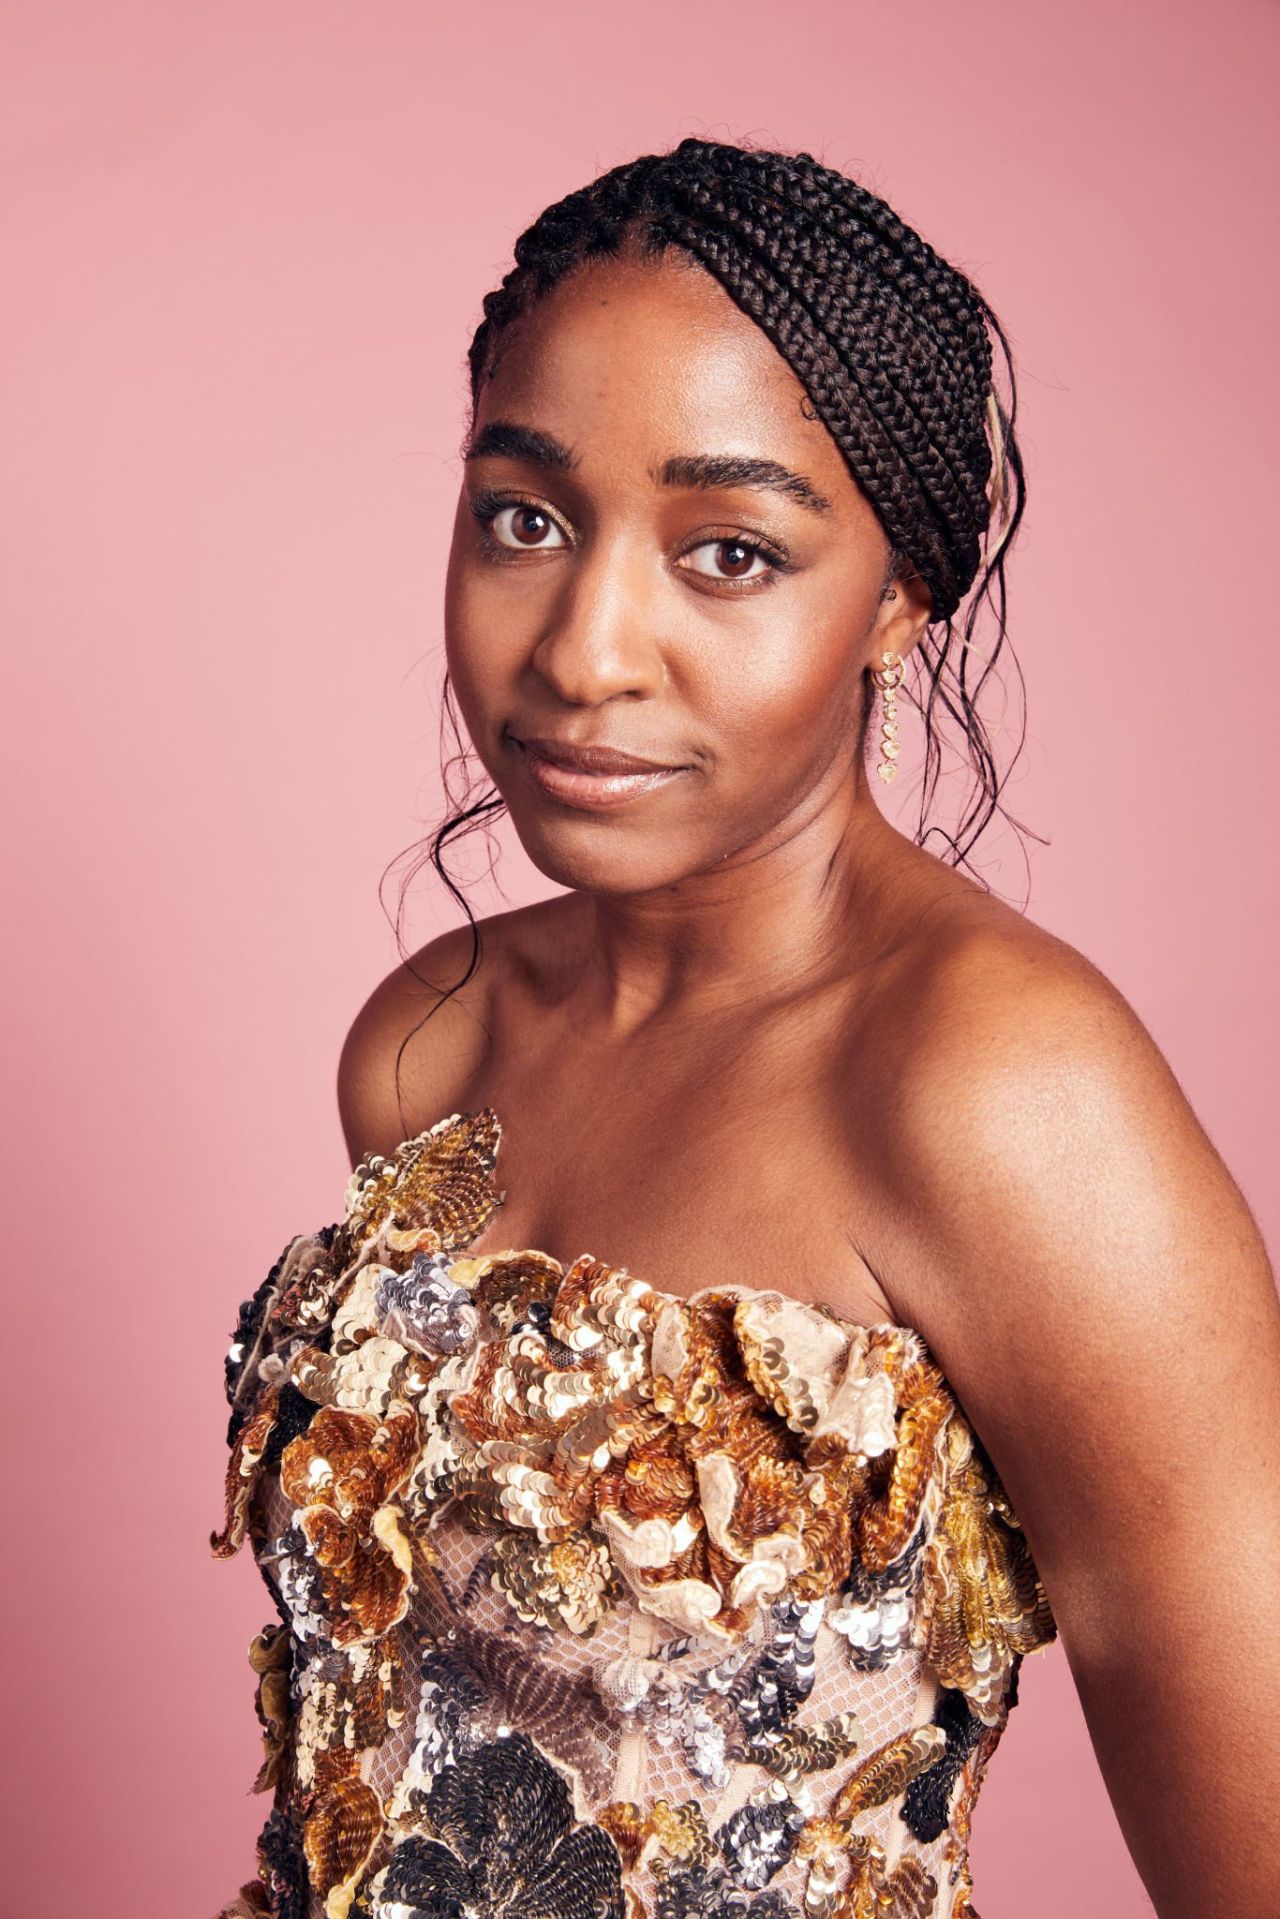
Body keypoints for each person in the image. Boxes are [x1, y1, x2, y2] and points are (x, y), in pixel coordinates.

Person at [212, 138, 1280, 1919]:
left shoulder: (996, 1087)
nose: (584, 649)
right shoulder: (430, 1047)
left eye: (729, 552)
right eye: (525, 519)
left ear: (899, 597)